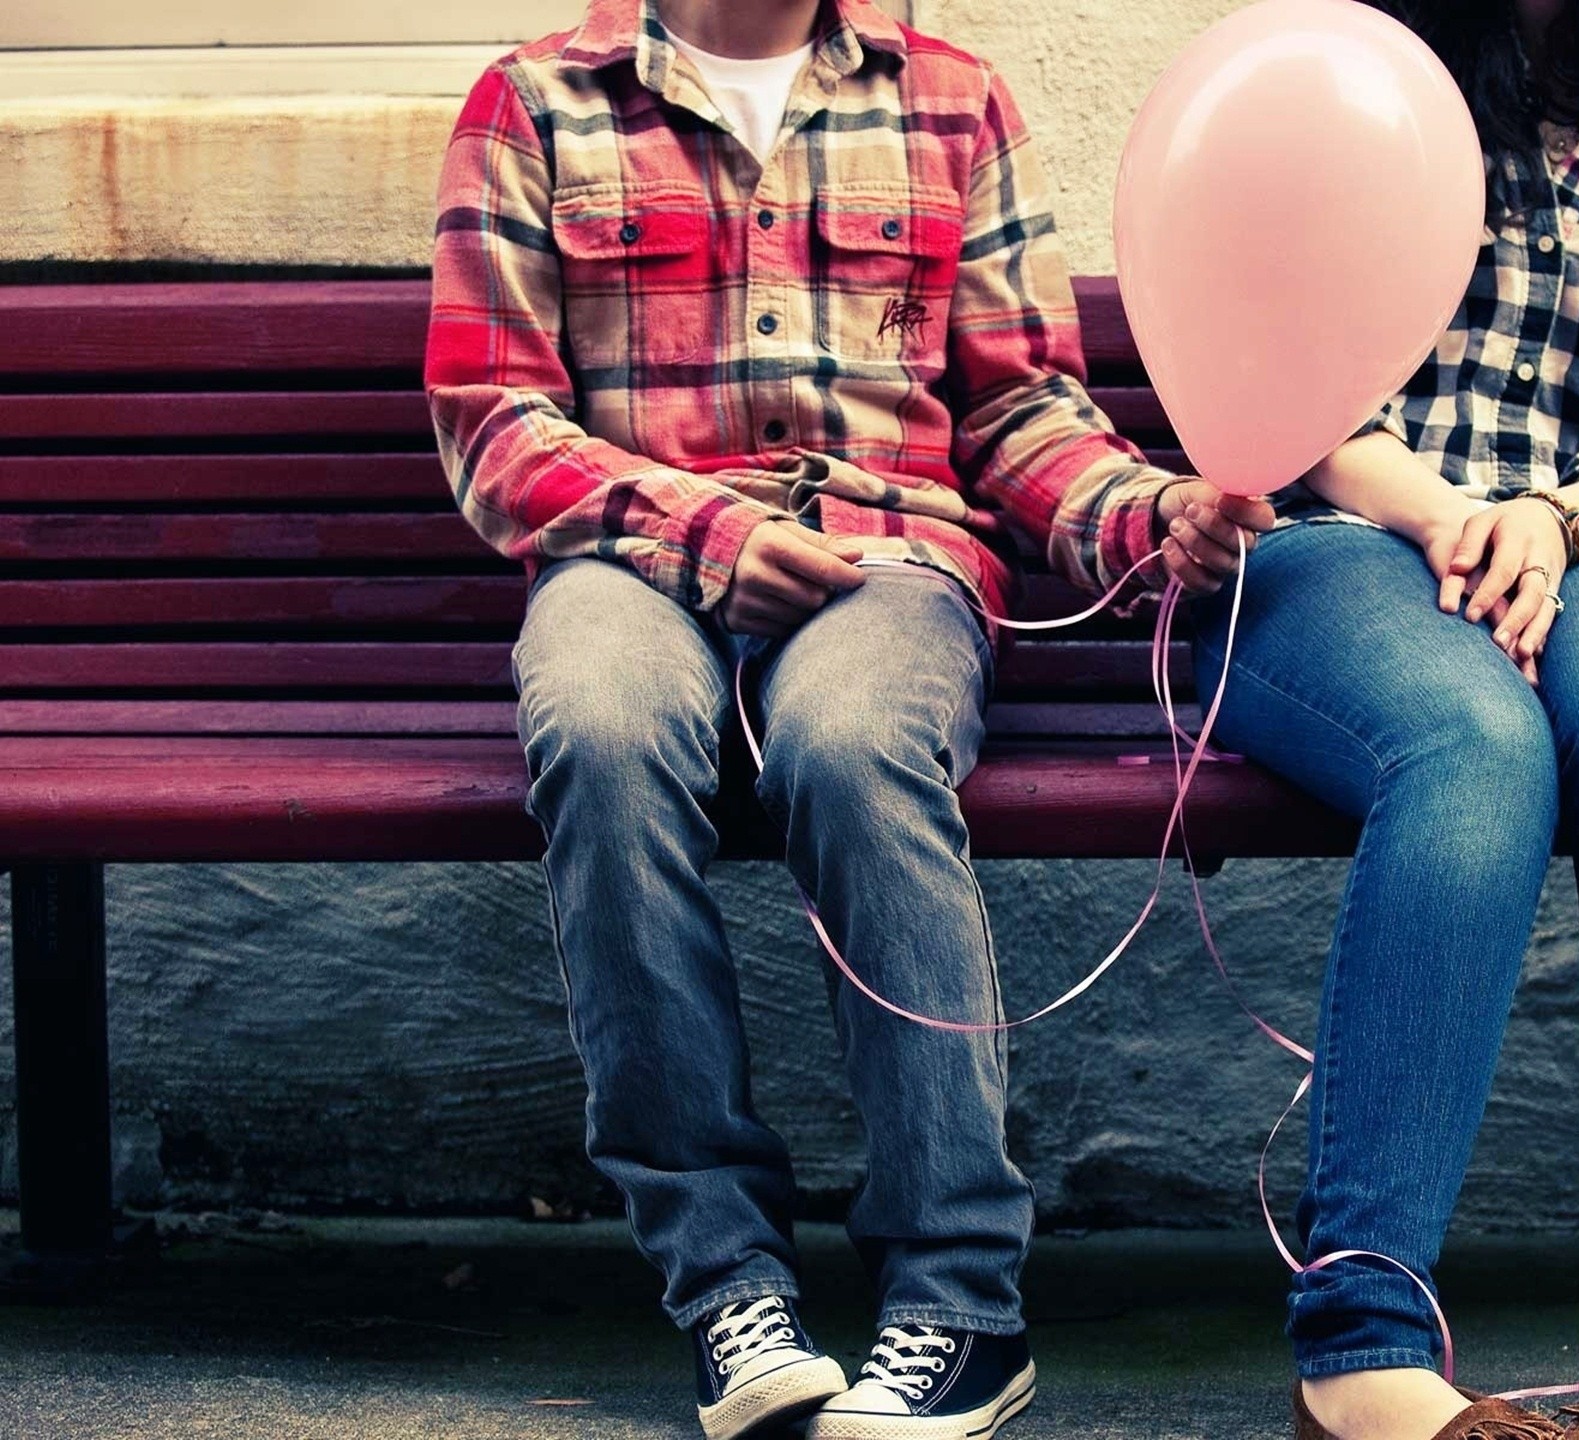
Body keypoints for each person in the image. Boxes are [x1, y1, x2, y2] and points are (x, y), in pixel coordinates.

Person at [424, 2, 1272, 1436]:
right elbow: (493, 415)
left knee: (852, 744)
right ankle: (726, 1286)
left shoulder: (952, 101)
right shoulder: (535, 105)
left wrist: (1148, 516)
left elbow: (1019, 410)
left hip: (890, 559)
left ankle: (959, 1299)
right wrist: (706, 536)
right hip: (630, 559)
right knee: (603, 733)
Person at [1179, 2, 1579, 1438]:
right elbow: (1284, 381)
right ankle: (1360, 1346)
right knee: (1479, 743)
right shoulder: (1351, 64)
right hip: (1351, 542)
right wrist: (1455, 516)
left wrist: (1557, 520)